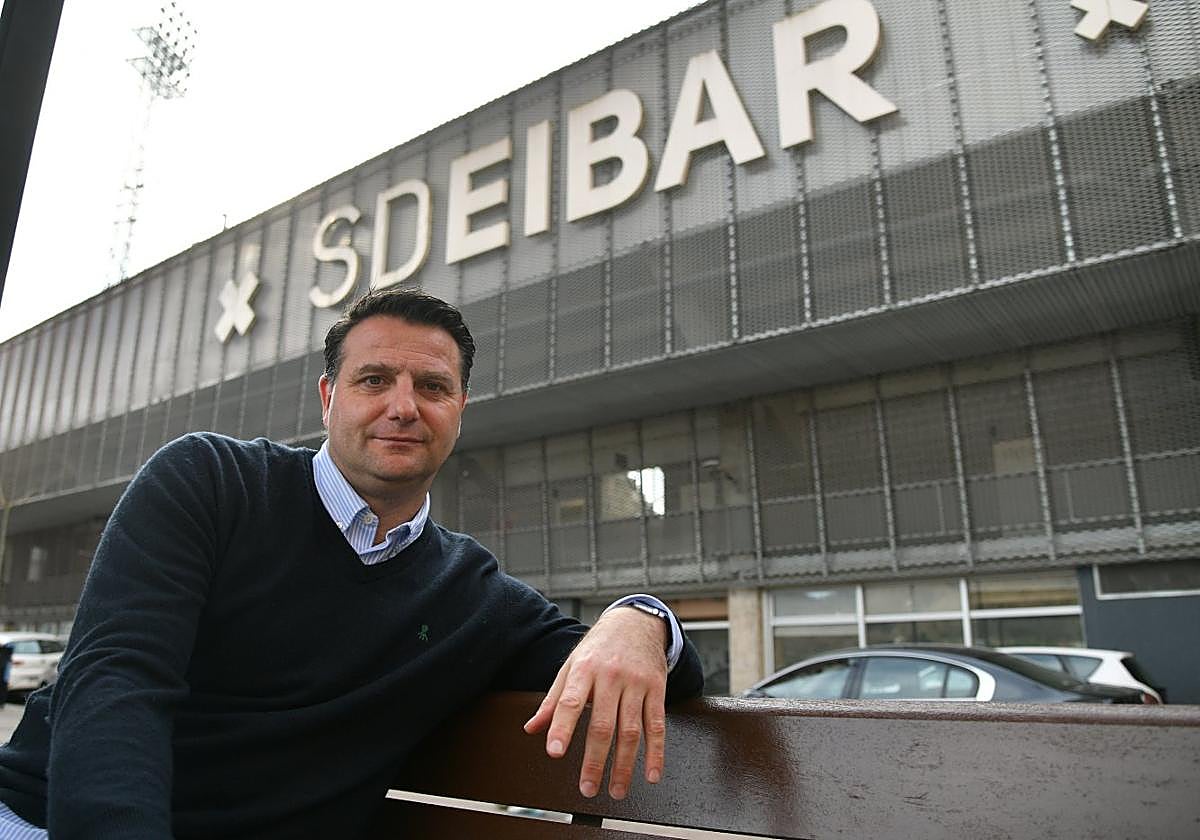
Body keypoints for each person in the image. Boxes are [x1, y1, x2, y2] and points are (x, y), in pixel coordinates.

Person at [0, 289, 703, 838]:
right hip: (48, 821)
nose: (403, 406)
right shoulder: (209, 481)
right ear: (328, 397)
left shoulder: (474, 597)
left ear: (461, 410)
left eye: (432, 387)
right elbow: (117, 681)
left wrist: (639, 618)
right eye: (374, 379)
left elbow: (661, 675)